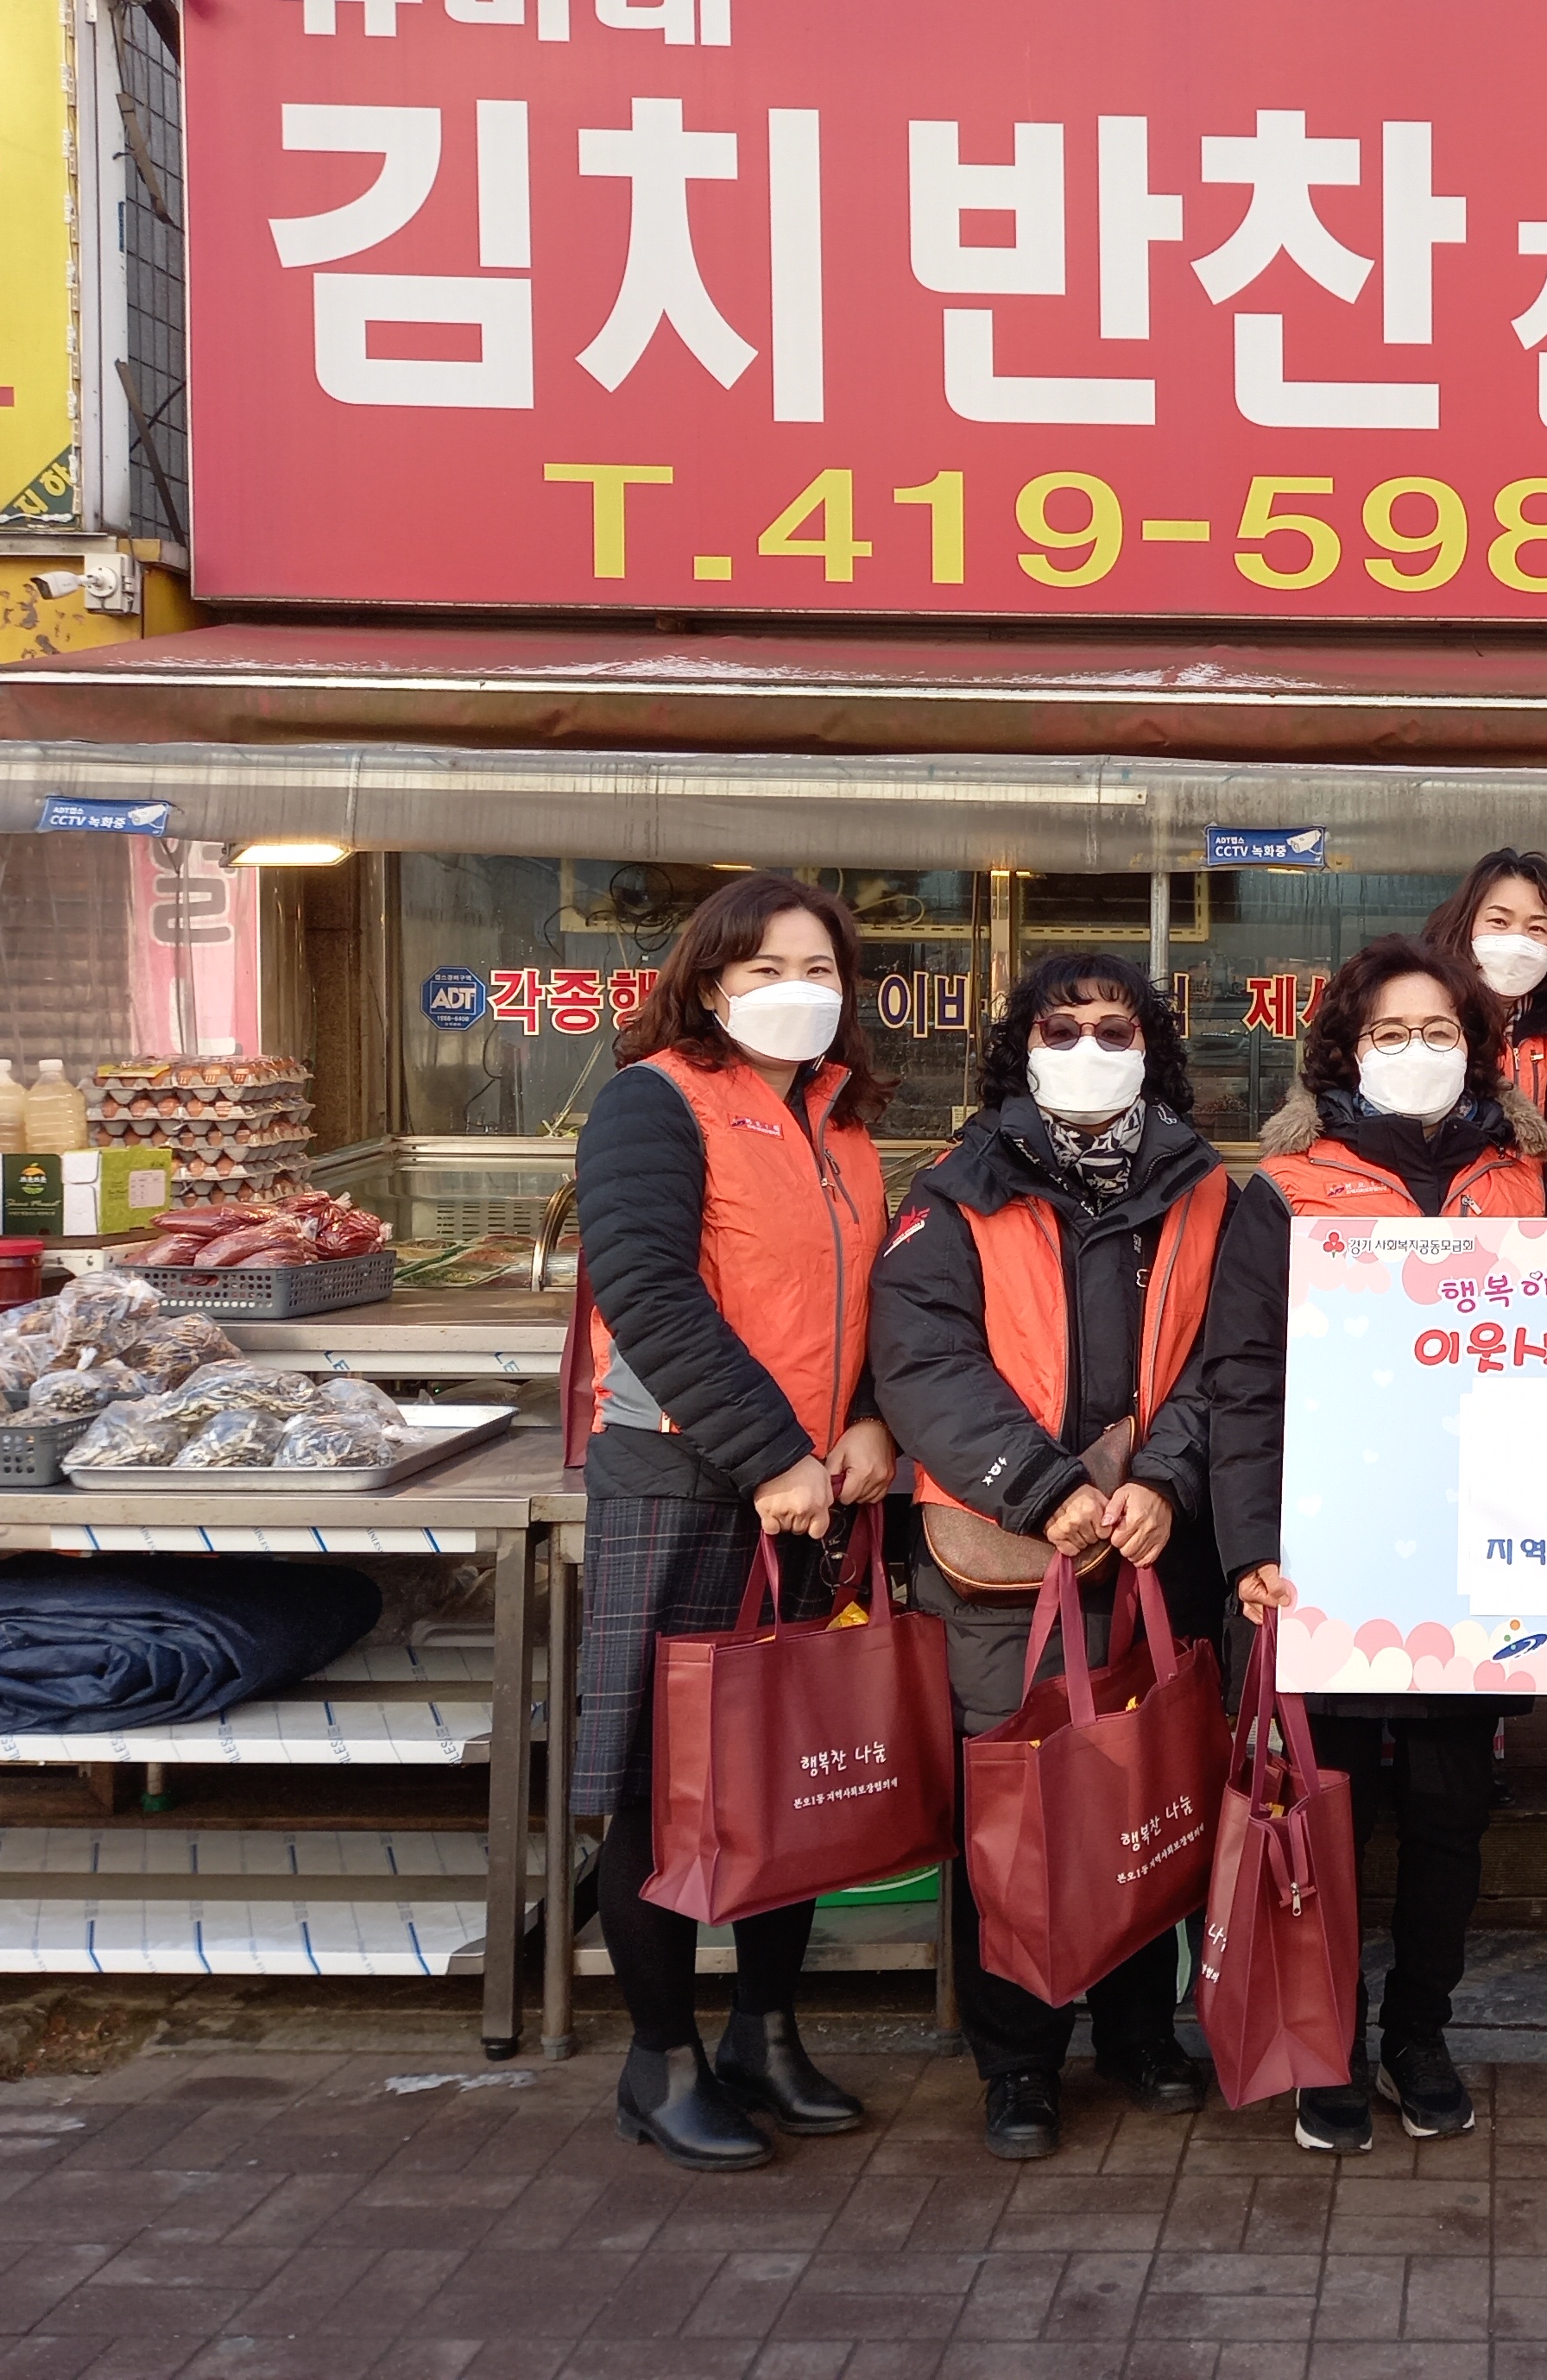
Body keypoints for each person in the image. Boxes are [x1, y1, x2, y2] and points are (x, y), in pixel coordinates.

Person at [868, 950, 1224, 2163]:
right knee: (1012, 1812)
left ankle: (1138, 2032)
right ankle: (1018, 2059)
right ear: (1018, 1047)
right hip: (1004, 1557)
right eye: (1060, 1028)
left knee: (1141, 1790)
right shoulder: (952, 1190)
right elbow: (921, 1362)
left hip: (1155, 1551)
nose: (1087, 1048)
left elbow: (1230, 1360)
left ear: (1150, 1046)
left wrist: (1166, 1479)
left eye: (1112, 1029)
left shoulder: (1211, 1189)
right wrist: (1044, 1487)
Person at [1204, 934, 1547, 2153]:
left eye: (1441, 1034)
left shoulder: (1530, 1180)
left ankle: (1420, 2031)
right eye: (1391, 1035)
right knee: (1328, 1809)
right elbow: (1240, 1379)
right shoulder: (1289, 1185)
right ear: (1345, 1050)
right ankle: (1328, 2039)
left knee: (1454, 1812)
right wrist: (1248, 1541)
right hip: (1328, 1556)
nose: (1418, 1055)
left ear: (1480, 1048)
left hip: (1482, 1560)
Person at [574, 872, 897, 2172]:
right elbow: (650, 1293)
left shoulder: (844, 1129)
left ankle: (767, 2031)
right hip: (683, 1482)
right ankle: (660, 2062)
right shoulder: (654, 1101)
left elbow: (873, 1302)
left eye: (816, 966)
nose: (794, 990)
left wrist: (871, 1420)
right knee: (662, 1786)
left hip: (817, 1491)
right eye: (764, 968)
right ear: (709, 984)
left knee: (784, 1776)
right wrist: (771, 1452)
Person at [1424, 848, 1547, 1116]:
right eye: (1499, 921)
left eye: (1537, 928)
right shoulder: (1421, 1017)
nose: (1517, 941)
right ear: (1466, 924)